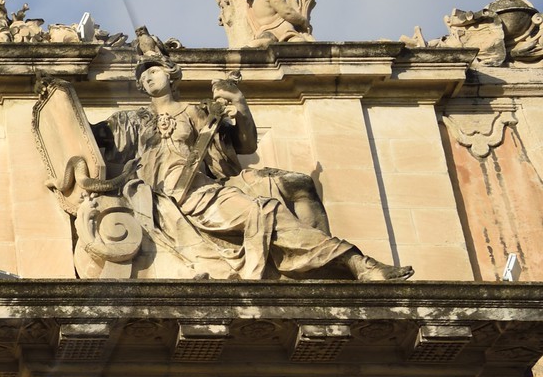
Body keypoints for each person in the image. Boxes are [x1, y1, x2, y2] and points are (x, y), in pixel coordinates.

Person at [97, 53, 412, 281]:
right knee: (263, 210)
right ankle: (349, 265)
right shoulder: (130, 120)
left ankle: (357, 263)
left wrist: (241, 106)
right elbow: (86, 136)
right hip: (159, 198)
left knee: (263, 211)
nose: (148, 77)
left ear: (171, 74)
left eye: (153, 70)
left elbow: (244, 145)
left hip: (200, 191)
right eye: (142, 76)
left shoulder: (199, 113)